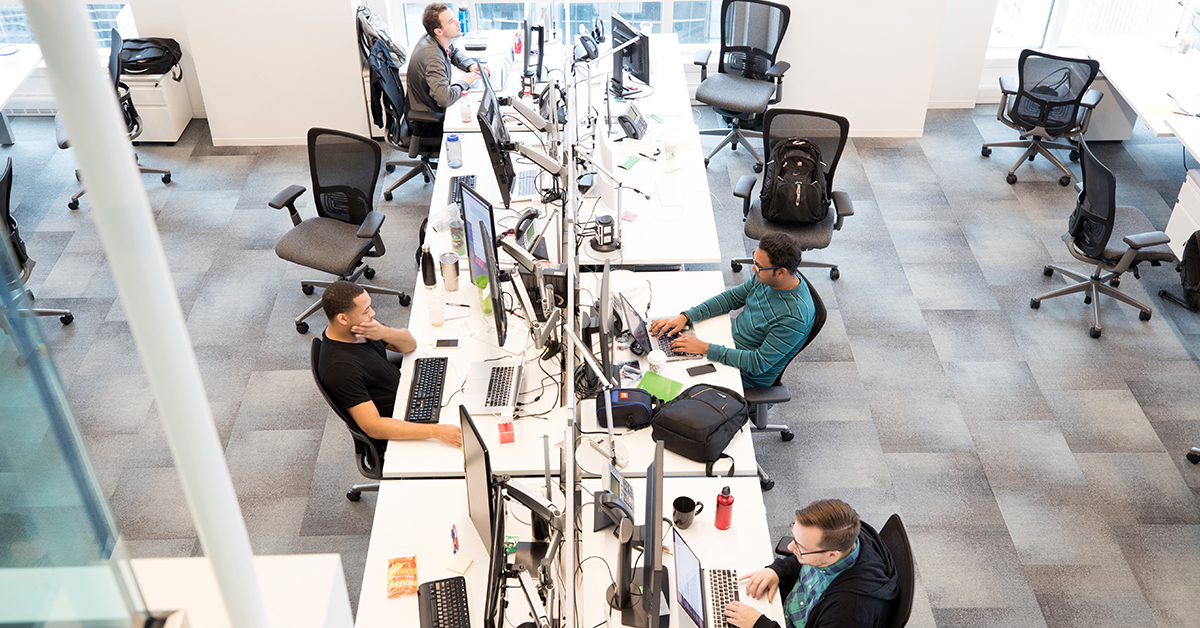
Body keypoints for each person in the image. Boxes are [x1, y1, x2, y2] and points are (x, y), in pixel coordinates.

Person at [648, 233, 816, 389]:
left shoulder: (795, 317)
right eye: (754, 261)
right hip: (727, 344)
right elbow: (731, 299)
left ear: (780, 272)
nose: (753, 269)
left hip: (744, 375)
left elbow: (758, 363)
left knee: (667, 382)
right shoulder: (766, 279)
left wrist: (705, 348)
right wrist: (686, 316)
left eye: (759, 266)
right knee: (663, 358)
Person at [316, 280, 461, 452]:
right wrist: (435, 431)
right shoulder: (339, 369)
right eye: (366, 311)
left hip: (412, 393)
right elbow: (374, 426)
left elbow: (410, 345)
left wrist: (384, 332)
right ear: (342, 318)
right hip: (402, 419)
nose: (373, 313)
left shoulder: (360, 327)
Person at [727, 499, 898, 628]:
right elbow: (803, 557)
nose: (789, 547)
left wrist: (759, 625)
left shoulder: (849, 612)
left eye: (799, 547)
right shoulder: (843, 538)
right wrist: (777, 571)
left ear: (831, 555)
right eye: (794, 536)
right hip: (780, 605)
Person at [406, 2, 487, 137]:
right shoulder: (432, 56)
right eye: (451, 22)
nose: (458, 22)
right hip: (428, 124)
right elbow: (445, 99)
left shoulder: (433, 38)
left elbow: (453, 51)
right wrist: (464, 82)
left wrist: (470, 65)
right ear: (439, 31)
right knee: (477, 123)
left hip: (431, 109)